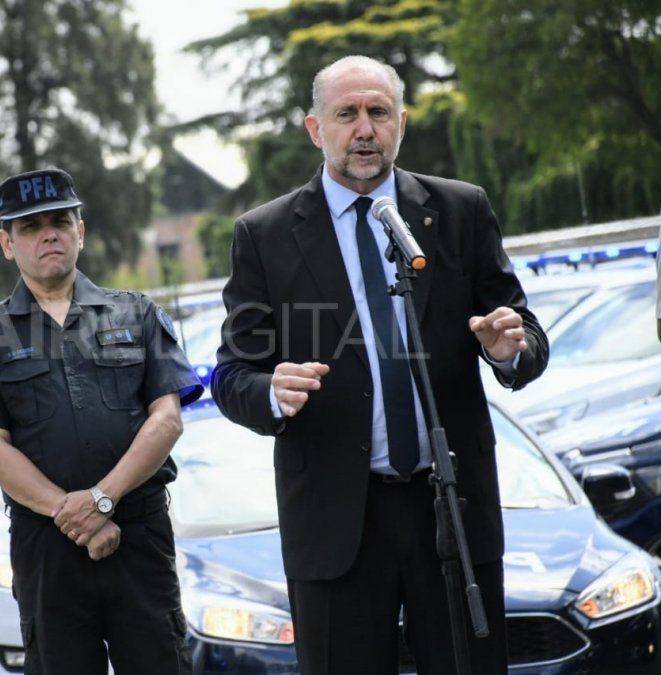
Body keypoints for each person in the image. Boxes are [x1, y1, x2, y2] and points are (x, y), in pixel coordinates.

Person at [211, 56, 549, 674]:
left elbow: (523, 332)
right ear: (316, 129)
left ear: (401, 123)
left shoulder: (459, 210)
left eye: (378, 113)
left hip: (451, 515)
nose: (364, 129)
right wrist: (269, 391)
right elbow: (232, 373)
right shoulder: (265, 234)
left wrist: (510, 351)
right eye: (347, 114)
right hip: (337, 522)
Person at [0, 167, 203, 674]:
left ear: (80, 232)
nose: (49, 234)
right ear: (7, 242)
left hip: (139, 536)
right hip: (48, 549)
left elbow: (167, 420)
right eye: (30, 226)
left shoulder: (138, 314)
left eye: (61, 221)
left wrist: (103, 499)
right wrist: (77, 517)